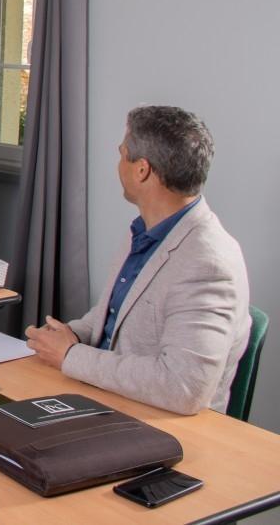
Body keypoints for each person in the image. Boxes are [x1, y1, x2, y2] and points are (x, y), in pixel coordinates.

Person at [26, 105, 250, 415]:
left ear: (141, 169)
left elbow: (183, 388)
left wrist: (72, 355)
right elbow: (114, 314)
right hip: (105, 400)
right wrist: (70, 335)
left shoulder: (206, 262)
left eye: (122, 154)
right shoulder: (147, 230)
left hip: (153, 425)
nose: (118, 164)